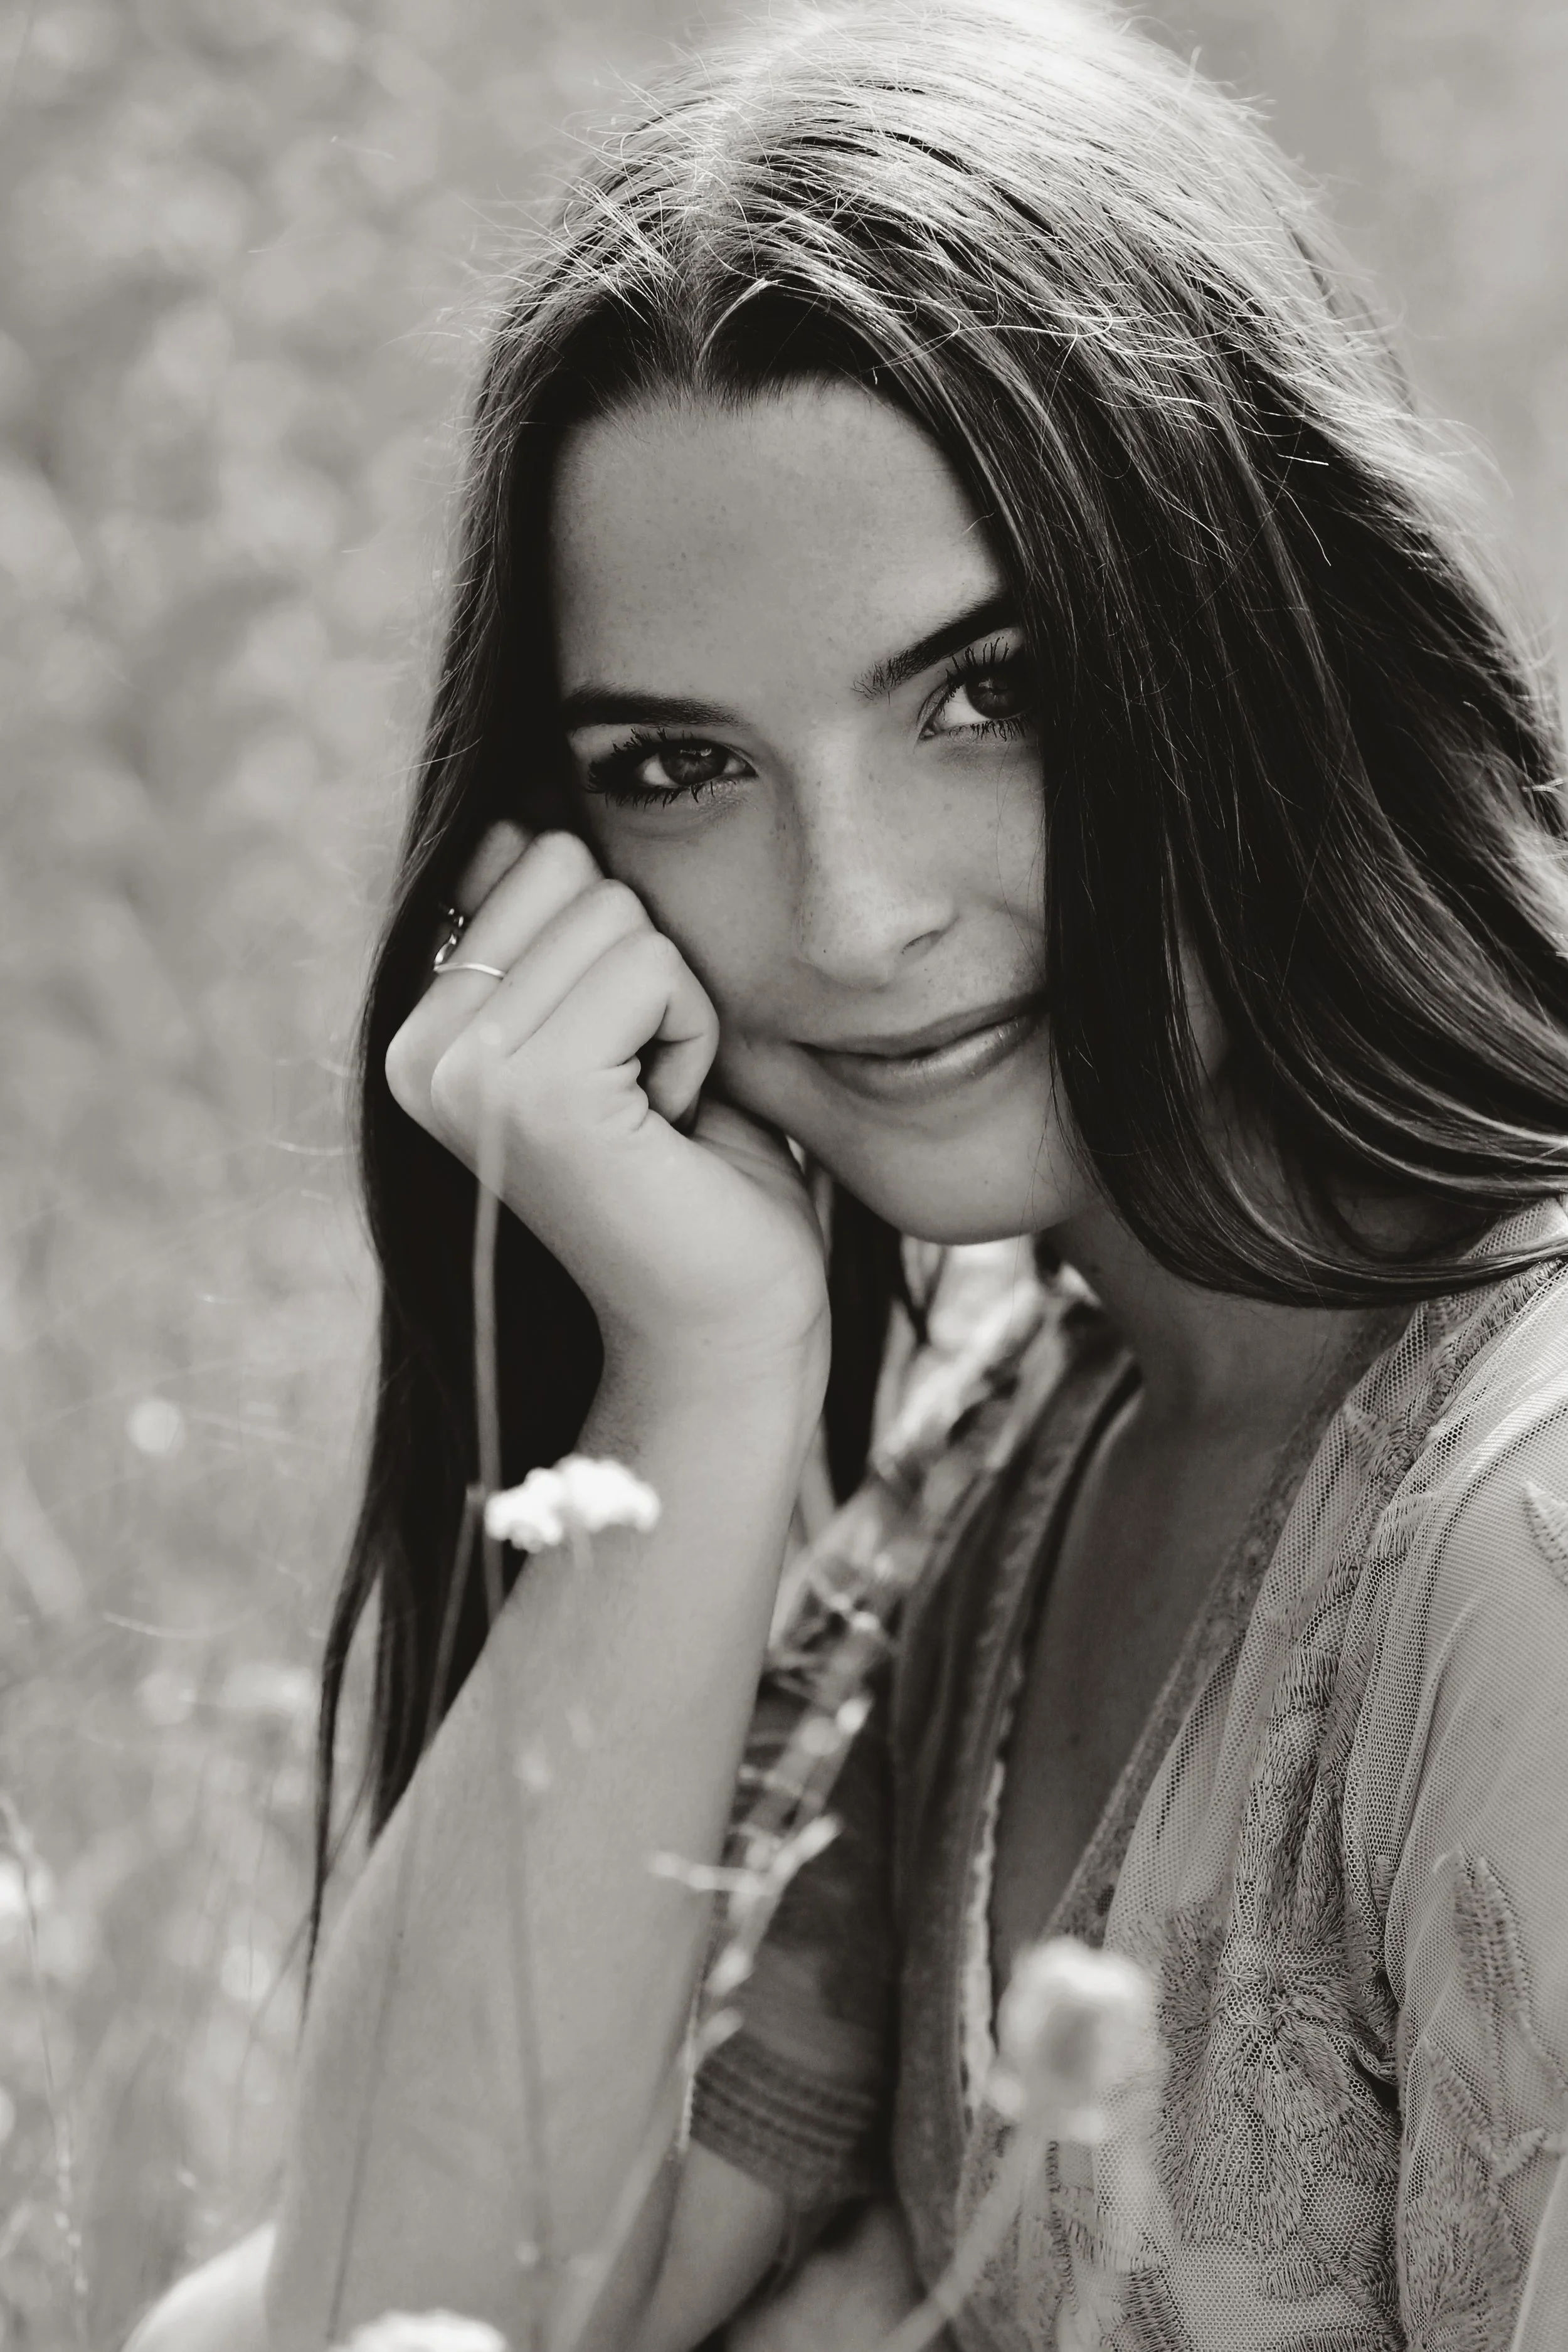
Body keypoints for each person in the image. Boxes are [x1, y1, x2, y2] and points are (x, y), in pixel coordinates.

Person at [129, 0, 1568, 2345]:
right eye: (679, 764)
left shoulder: (1522, 1528)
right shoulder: (1009, 1449)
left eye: (989, 692)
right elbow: (394, 2316)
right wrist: (697, 1377)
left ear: (1275, 624)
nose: (849, 916)